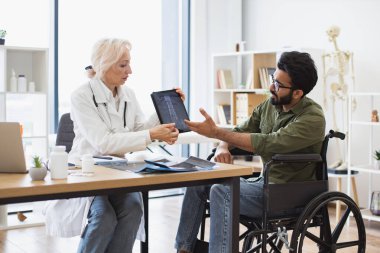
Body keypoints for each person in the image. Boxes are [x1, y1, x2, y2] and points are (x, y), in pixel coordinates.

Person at [175, 51, 326, 253]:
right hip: (262, 184)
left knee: (221, 191)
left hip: (287, 193)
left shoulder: (313, 118)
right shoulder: (270, 105)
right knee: (199, 181)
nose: (272, 87)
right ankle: (183, 249)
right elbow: (238, 132)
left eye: (279, 85)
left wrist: (217, 133)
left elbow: (269, 143)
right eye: (274, 79)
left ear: (298, 92)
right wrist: (222, 145)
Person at [44, 38, 184, 253]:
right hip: (88, 171)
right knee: (104, 217)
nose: (130, 70)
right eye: (123, 65)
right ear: (103, 65)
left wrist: (161, 113)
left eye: (129, 63)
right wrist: (150, 134)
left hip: (118, 170)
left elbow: (140, 129)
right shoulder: (81, 96)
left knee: (133, 208)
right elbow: (104, 142)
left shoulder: (128, 94)